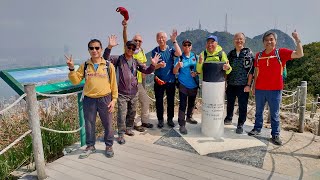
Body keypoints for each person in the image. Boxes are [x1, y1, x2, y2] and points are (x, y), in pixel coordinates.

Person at [248, 30, 304, 145]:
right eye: (266, 40)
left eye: (271, 39)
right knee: (258, 111)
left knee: (275, 113)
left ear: (275, 41)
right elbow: (256, 71)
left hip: (275, 89)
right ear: (263, 42)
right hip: (260, 89)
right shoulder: (259, 55)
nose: (269, 42)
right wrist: (253, 86)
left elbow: (299, 54)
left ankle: (275, 134)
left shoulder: (281, 53)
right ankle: (257, 128)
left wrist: (297, 40)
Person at [66, 39, 118, 158]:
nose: (94, 50)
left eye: (97, 48)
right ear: (89, 50)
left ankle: (109, 145)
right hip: (89, 99)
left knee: (108, 123)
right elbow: (75, 81)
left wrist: (114, 100)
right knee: (89, 124)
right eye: (91, 48)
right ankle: (90, 146)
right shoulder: (85, 65)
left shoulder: (108, 65)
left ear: (101, 49)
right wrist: (71, 68)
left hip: (105, 99)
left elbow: (114, 84)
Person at [103, 36, 160, 144]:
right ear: (125, 47)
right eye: (129, 47)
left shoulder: (136, 61)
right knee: (121, 114)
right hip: (121, 93)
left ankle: (129, 128)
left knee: (132, 112)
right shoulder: (118, 59)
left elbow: (146, 71)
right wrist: (109, 47)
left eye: (133, 49)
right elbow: (105, 59)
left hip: (134, 92)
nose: (131, 50)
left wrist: (153, 65)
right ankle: (120, 134)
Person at [121, 20, 153, 132]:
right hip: (130, 84)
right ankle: (134, 123)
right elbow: (125, 39)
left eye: (140, 41)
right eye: (136, 40)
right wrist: (125, 28)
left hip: (140, 82)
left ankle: (144, 121)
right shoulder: (130, 50)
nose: (138, 42)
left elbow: (144, 67)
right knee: (132, 105)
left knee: (145, 101)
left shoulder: (142, 51)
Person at [224, 33, 254, 134]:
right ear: (234, 41)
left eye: (241, 39)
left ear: (244, 41)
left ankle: (240, 124)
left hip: (243, 85)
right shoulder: (230, 54)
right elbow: (226, 70)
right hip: (231, 84)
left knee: (242, 106)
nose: (239, 41)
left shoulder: (248, 53)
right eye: (237, 39)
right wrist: (225, 83)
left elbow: (250, 71)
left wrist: (248, 85)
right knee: (230, 103)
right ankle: (228, 118)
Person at [152, 30, 182, 128]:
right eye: (159, 38)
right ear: (157, 40)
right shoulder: (155, 51)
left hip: (170, 81)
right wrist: (158, 65)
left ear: (166, 39)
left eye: (163, 37)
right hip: (159, 81)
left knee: (170, 101)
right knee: (159, 101)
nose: (161, 39)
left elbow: (179, 53)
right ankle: (160, 120)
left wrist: (174, 41)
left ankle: (170, 119)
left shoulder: (170, 50)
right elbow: (153, 67)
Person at [173, 39, 199, 134]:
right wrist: (178, 66)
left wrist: (196, 73)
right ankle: (182, 124)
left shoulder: (196, 56)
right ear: (182, 46)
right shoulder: (180, 57)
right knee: (183, 104)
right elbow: (174, 71)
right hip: (183, 84)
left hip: (194, 85)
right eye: (185, 45)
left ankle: (189, 117)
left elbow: (200, 69)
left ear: (191, 46)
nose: (187, 46)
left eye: (189, 45)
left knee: (192, 103)